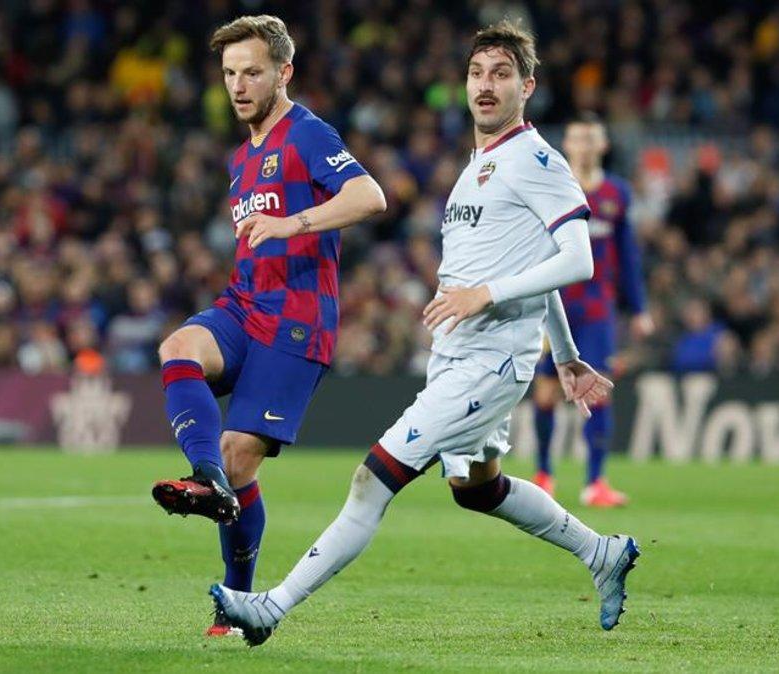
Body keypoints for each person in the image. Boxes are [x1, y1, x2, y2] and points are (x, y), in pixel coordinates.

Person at [211, 20, 639, 646]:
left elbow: (579, 261)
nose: (485, 87)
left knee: (372, 479)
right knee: (477, 488)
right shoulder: (480, 165)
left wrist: (482, 295)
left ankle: (270, 607)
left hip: (490, 362)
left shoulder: (537, 160)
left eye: (500, 75)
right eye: (476, 73)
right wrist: (569, 357)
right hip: (462, 354)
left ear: (528, 86)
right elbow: (531, 265)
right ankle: (602, 553)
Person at [148, 15, 387, 636]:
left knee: (240, 458)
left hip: (297, 324)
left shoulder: (308, 134)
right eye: (229, 74)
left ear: (284, 72)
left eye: (252, 71)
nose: (238, 85)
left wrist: (294, 223)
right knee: (178, 348)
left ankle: (237, 605)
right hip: (244, 305)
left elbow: (370, 197)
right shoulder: (240, 158)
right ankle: (207, 480)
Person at [531, 113, 652, 506]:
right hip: (556, 302)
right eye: (577, 138)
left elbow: (627, 253)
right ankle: (544, 474)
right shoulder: (552, 188)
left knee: (598, 389)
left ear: (602, 145)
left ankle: (595, 482)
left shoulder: (617, 193)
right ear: (566, 144)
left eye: (590, 139)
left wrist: (638, 308)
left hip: (598, 308)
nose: (583, 146)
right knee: (547, 390)